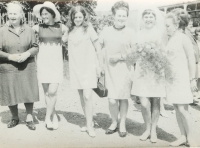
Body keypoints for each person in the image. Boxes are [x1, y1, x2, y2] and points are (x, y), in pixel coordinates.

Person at [63, 6, 101, 138]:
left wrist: (99, 66)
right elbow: (60, 40)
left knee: (87, 96)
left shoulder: (89, 29)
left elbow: (98, 48)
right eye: (75, 17)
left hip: (88, 67)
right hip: (75, 68)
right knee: (81, 96)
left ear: (84, 17)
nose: (77, 19)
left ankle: (90, 126)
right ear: (72, 18)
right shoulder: (69, 30)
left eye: (80, 17)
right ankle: (88, 121)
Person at [0, 2, 39, 130]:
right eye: (10, 13)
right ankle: (15, 117)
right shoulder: (2, 31)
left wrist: (28, 53)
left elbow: (35, 47)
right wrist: (9, 56)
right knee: (10, 90)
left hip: (27, 65)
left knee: (28, 90)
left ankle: (29, 117)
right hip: (8, 66)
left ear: (21, 15)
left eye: (15, 13)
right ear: (7, 15)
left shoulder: (29, 30)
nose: (12, 16)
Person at [98, 1, 134, 138]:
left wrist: (119, 57)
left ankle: (122, 123)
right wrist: (100, 65)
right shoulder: (106, 31)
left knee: (123, 98)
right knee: (112, 99)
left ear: (127, 16)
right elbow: (98, 49)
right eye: (119, 15)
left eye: (124, 16)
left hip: (125, 70)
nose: (121, 18)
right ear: (113, 15)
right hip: (110, 71)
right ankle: (114, 122)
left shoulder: (131, 32)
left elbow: (136, 54)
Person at [131, 7, 167, 143]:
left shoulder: (160, 34)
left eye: (151, 17)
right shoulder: (138, 34)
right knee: (144, 103)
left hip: (156, 70)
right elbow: (134, 51)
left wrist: (155, 53)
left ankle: (153, 130)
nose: (148, 19)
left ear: (155, 19)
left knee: (156, 101)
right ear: (142, 19)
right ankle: (147, 128)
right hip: (142, 70)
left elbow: (164, 52)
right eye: (146, 17)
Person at [32, 1, 68, 130]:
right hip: (43, 63)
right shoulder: (37, 28)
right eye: (42, 14)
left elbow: (70, 41)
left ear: (52, 14)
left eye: (46, 13)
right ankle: (52, 115)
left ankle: (47, 118)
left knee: (53, 91)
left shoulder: (63, 28)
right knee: (47, 92)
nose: (44, 16)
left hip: (56, 64)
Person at [165, 12, 198, 147]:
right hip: (172, 79)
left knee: (183, 110)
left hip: (182, 79)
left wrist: (192, 79)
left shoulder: (183, 38)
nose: (165, 28)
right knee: (177, 109)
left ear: (176, 24)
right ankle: (183, 136)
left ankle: (191, 139)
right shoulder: (171, 38)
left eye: (167, 26)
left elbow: (191, 59)